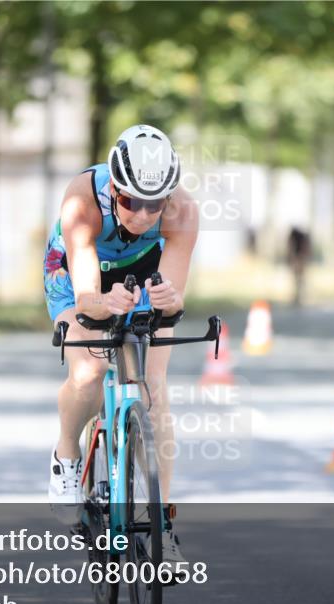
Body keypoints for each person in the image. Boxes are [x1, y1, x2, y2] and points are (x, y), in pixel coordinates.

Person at [42, 124, 198, 563]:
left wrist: (170, 298)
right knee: (89, 371)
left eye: (155, 203)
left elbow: (175, 296)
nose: (144, 215)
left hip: (143, 274)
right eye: (131, 201)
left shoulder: (182, 210)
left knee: (155, 391)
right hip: (79, 276)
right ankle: (67, 454)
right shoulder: (82, 198)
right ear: (113, 188)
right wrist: (101, 303)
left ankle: (163, 527)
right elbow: (89, 297)